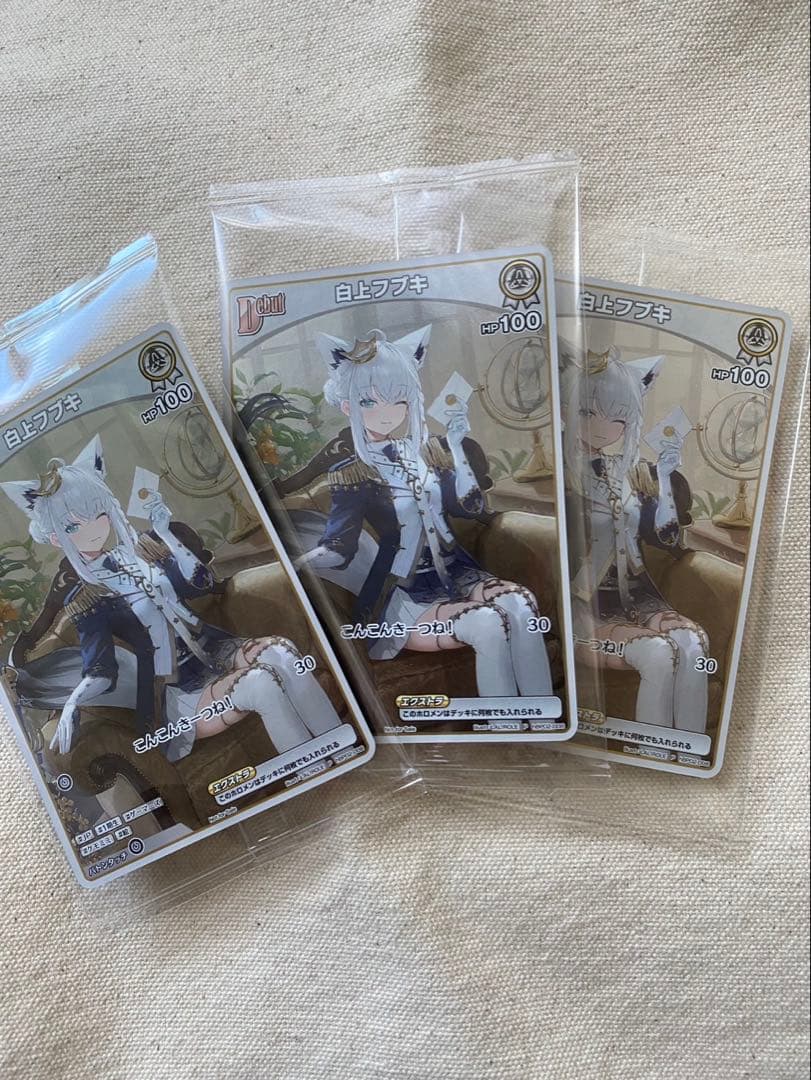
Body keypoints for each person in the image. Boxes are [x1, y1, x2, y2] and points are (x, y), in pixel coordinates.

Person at [1, 436, 341, 760]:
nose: (91, 528)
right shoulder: (89, 598)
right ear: (57, 538)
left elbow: (200, 584)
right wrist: (73, 703)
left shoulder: (146, 550)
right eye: (72, 526)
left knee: (281, 652)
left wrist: (166, 534)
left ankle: (339, 749)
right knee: (261, 683)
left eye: (96, 514)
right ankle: (311, 769)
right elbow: (100, 668)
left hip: (216, 650)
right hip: (173, 690)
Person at [299, 325, 554, 698]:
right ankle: (505, 724)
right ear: (348, 405)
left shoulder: (431, 453)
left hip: (459, 574)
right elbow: (340, 546)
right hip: (402, 594)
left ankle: (543, 718)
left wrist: (456, 446)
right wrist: (299, 563)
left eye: (398, 401)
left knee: (521, 603)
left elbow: (470, 506)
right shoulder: (351, 473)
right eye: (370, 402)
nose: (387, 413)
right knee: (487, 623)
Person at [560, 346, 709, 733]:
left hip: (638, 598)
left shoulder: (626, 471)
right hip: (585, 605)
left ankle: (686, 751)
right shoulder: (560, 474)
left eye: (618, 419)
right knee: (658, 653)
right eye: (587, 412)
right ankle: (651, 748)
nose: (602, 428)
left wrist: (664, 477)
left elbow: (666, 538)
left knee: (693, 643)